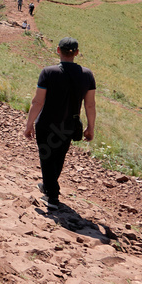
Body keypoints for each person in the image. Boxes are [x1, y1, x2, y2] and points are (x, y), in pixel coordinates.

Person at [23, 37, 96, 209]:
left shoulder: (48, 72)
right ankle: (48, 186)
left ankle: (53, 197)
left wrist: (29, 124)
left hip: (47, 123)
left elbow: (38, 102)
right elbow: (90, 104)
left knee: (46, 158)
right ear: (77, 53)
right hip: (68, 125)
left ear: (58, 50)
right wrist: (91, 127)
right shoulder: (87, 75)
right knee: (58, 158)